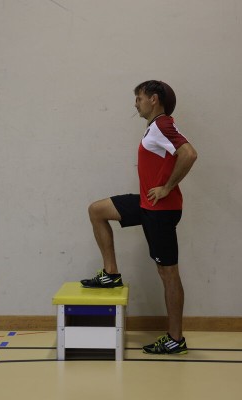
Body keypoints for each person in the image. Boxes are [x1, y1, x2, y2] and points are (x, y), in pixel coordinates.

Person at [81, 80, 198, 355]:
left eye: (139, 98)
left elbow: (190, 154)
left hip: (161, 211)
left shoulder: (162, 125)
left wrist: (167, 187)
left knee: (168, 274)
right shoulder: (156, 127)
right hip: (147, 205)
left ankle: (175, 339)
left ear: (153, 99)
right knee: (97, 210)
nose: (136, 103)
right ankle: (111, 273)